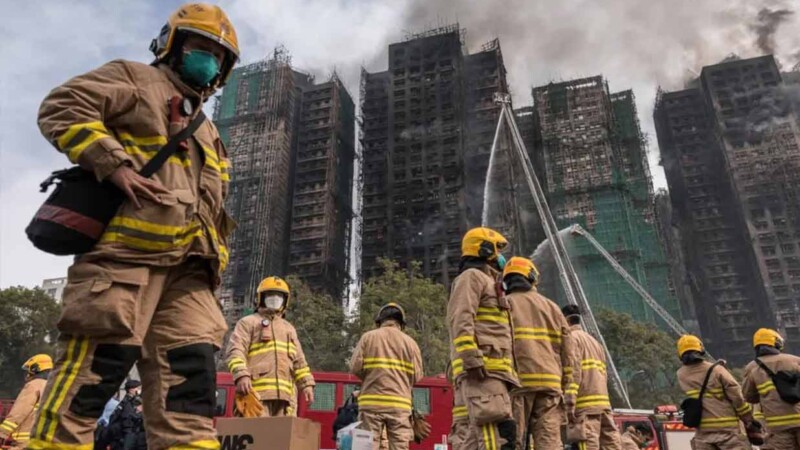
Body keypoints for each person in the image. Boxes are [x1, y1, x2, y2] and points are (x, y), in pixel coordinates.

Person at [29, 3, 239, 449]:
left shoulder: (209, 131)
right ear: (172, 45)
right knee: (89, 385)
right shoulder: (135, 79)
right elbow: (62, 105)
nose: (210, 61)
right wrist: (114, 164)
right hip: (127, 266)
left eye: (219, 57)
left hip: (191, 277)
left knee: (192, 394)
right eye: (201, 48)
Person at [448, 227, 519, 450]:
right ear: (484, 248)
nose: (501, 256)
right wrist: (471, 358)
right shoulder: (472, 277)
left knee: (478, 434)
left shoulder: (491, 283)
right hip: (483, 370)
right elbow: (461, 318)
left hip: (493, 371)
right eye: (497, 249)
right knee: (494, 433)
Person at [505, 257, 579, 450]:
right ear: (532, 277)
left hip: (518, 384)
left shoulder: (504, 305)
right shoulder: (552, 307)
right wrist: (564, 382)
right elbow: (568, 351)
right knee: (548, 442)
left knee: (515, 441)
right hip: (550, 385)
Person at [226, 276, 315, 417]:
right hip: (256, 395)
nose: (275, 299)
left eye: (279, 296)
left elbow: (299, 361)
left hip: (286, 399)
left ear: (285, 300)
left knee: (282, 438)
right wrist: (241, 375)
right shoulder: (248, 323)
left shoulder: (289, 329)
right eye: (270, 295)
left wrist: (307, 384)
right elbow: (235, 351)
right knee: (257, 436)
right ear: (261, 297)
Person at [350, 303, 423, 450]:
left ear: (379, 321)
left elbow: (355, 368)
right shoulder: (411, 343)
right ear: (401, 323)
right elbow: (417, 376)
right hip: (400, 406)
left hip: (371, 403)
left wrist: (370, 378)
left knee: (366, 446)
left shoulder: (367, 338)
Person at [676, 335, 753, 450]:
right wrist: (748, 419)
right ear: (701, 349)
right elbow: (736, 396)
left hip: (703, 435)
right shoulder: (716, 370)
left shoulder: (681, 374)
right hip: (728, 432)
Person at [561, 304, 621, 450]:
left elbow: (573, 373)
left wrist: (569, 404)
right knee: (611, 444)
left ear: (565, 321)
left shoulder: (571, 339)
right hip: (604, 405)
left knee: (587, 444)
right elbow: (604, 375)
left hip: (584, 406)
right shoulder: (595, 343)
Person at [742, 328, 800, 449]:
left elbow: (749, 396)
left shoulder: (752, 367)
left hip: (777, 427)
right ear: (777, 343)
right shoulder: (795, 361)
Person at [0, 354, 52, 449]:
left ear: (35, 369)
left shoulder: (33, 385)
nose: (27, 375)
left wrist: (2, 433)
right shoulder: (53, 388)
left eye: (28, 371)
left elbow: (19, 412)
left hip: (27, 440)